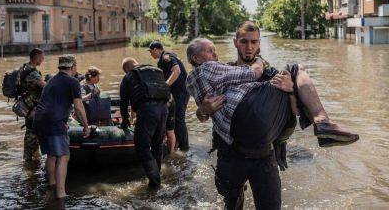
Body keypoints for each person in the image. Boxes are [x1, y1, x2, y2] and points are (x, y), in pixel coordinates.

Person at [186, 37, 359, 210]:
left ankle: (321, 124)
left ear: (259, 45)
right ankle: (323, 122)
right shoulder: (223, 68)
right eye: (244, 41)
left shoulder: (271, 73)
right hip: (230, 152)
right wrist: (203, 110)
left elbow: (295, 112)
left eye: (254, 42)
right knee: (232, 203)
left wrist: (291, 90)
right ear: (235, 42)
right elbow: (203, 116)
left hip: (262, 153)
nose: (249, 47)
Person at [34, 55, 90, 199]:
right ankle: (61, 193)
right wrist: (86, 126)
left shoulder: (51, 80)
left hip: (39, 121)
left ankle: (52, 184)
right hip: (54, 122)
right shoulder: (73, 82)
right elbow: (78, 107)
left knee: (51, 155)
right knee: (63, 156)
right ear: (73, 67)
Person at [120, 57, 170, 188]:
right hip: (164, 109)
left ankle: (155, 182)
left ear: (126, 69)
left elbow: (124, 102)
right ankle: (157, 175)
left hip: (148, 110)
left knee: (142, 147)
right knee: (157, 144)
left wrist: (125, 121)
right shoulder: (155, 71)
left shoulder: (129, 76)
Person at [149, 42, 190, 151]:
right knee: (175, 118)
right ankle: (176, 142)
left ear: (156, 49)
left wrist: (165, 86)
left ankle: (184, 147)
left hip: (181, 92)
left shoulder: (167, 57)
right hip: (175, 93)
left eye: (151, 51)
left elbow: (177, 71)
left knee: (179, 118)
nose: (150, 54)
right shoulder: (161, 61)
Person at [18, 48, 46, 162]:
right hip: (32, 108)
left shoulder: (24, 67)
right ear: (37, 57)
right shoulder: (32, 72)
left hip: (28, 105)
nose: (43, 60)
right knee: (31, 135)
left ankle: (33, 162)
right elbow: (46, 86)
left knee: (32, 134)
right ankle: (29, 164)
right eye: (42, 57)